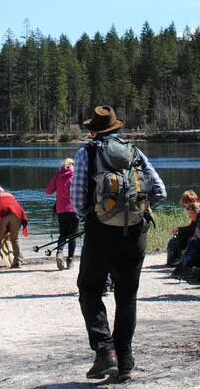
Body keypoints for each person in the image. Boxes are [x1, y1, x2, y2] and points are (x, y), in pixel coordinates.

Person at [71, 105, 166, 382]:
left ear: (93, 130)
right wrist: (140, 212)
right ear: (117, 128)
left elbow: (78, 200)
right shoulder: (135, 152)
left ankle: (105, 351)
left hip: (100, 234)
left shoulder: (86, 152)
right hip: (135, 234)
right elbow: (159, 190)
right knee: (126, 296)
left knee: (89, 289)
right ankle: (124, 362)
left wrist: (93, 216)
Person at [45, 158, 78, 270]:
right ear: (73, 165)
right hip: (74, 209)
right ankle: (70, 260)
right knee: (73, 235)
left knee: (63, 233)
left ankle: (59, 253)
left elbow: (48, 191)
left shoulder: (58, 175)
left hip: (61, 209)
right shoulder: (77, 174)